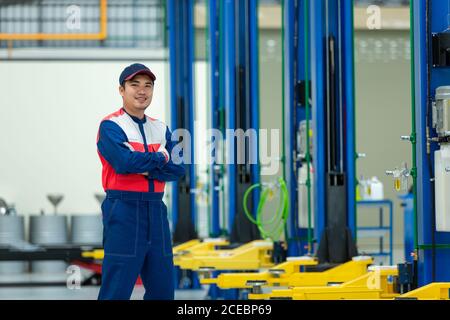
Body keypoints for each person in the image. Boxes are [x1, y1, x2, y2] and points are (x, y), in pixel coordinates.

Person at [96, 63, 185, 300]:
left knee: (163, 290)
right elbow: (124, 164)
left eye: (148, 85)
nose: (142, 90)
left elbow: (177, 169)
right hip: (124, 209)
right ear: (121, 90)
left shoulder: (161, 128)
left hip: (156, 210)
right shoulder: (111, 126)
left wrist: (148, 168)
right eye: (134, 84)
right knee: (117, 289)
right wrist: (161, 157)